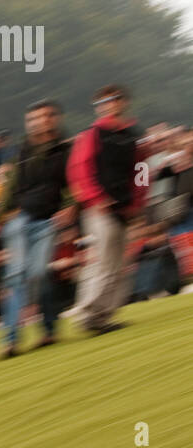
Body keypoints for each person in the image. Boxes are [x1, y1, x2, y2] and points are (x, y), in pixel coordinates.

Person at [0, 100, 73, 357]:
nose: (39, 122)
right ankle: (11, 340)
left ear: (55, 119)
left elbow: (73, 182)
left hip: (48, 220)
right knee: (16, 276)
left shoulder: (66, 150)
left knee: (40, 274)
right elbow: (9, 189)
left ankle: (49, 329)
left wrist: (71, 207)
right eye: (34, 119)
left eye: (45, 117)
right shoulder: (21, 152)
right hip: (19, 220)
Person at [67, 85, 145, 334]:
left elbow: (141, 171)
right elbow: (79, 170)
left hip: (124, 207)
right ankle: (88, 314)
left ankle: (104, 315)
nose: (106, 106)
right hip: (100, 208)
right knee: (102, 262)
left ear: (123, 102)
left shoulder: (134, 135)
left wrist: (137, 203)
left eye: (111, 100)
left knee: (119, 264)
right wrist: (96, 199)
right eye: (102, 103)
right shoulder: (92, 135)